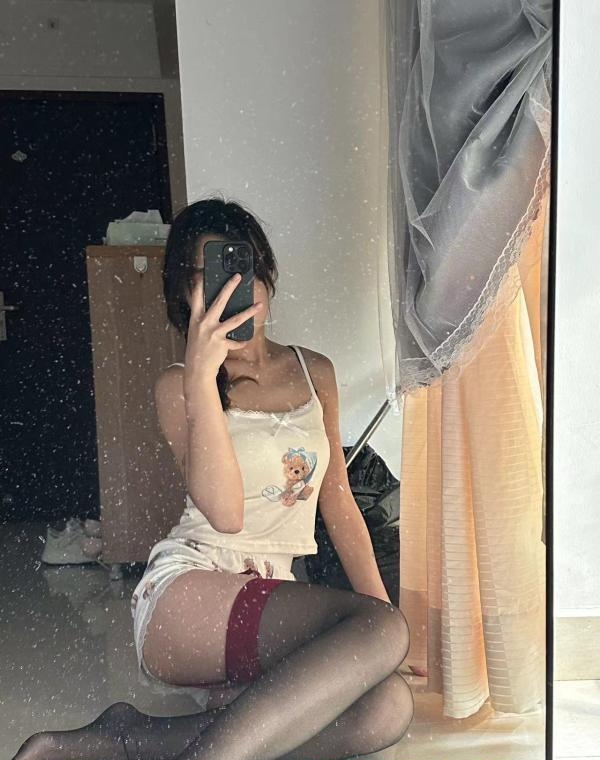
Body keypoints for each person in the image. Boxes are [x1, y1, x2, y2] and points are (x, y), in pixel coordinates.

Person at [13, 197, 413, 760]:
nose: (234, 289)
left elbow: (339, 502)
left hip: (270, 593)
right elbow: (225, 515)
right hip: (191, 593)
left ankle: (128, 737)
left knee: (387, 705)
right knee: (383, 634)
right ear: (186, 293)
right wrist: (202, 374)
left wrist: (380, 621)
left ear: (265, 278)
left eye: (244, 269)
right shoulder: (178, 386)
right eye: (213, 276)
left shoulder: (314, 370)